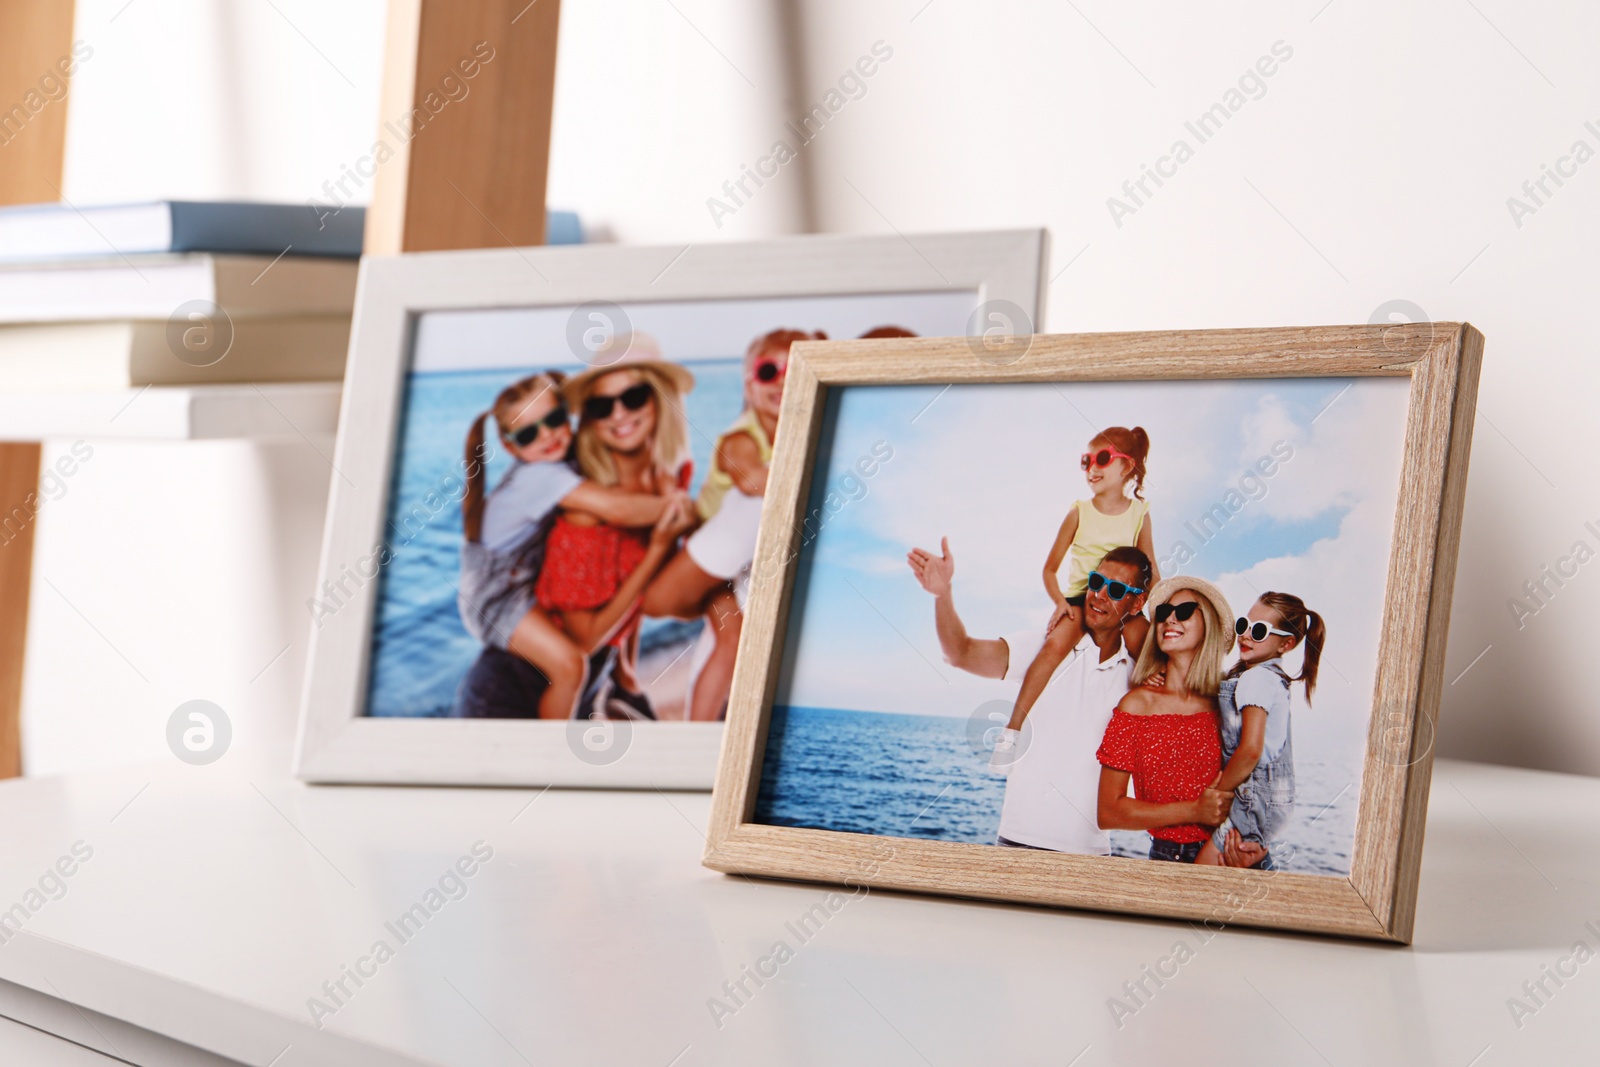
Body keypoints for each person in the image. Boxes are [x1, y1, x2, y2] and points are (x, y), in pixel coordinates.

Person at [456, 369, 694, 719]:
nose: (548, 435)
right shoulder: (540, 475)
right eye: (528, 433)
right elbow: (619, 509)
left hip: (514, 584)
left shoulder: (558, 463)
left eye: (554, 419)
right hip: (496, 600)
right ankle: (556, 754)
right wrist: (683, 511)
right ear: (509, 446)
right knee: (570, 666)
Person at [906, 538, 1151, 855]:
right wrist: (943, 594)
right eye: (1096, 582)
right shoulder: (1043, 647)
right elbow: (961, 653)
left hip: (1092, 856)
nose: (1099, 595)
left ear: (1136, 603)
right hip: (1016, 844)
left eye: (1116, 590)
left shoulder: (1140, 676)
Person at [642, 329, 824, 721]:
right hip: (708, 563)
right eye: (768, 371)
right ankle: (698, 727)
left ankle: (700, 724)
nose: (781, 380)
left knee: (732, 639)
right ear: (748, 382)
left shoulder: (792, 433)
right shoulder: (740, 436)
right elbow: (751, 481)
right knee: (731, 638)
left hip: (741, 564)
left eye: (794, 370)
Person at [539, 339, 697, 719]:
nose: (618, 414)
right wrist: (661, 547)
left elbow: (628, 578)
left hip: (604, 670)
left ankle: (625, 682)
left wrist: (626, 672)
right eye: (601, 405)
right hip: (547, 683)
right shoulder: (585, 511)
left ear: (662, 399)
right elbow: (584, 639)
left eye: (634, 396)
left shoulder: (672, 474)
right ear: (590, 419)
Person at [1006, 427, 1158, 736]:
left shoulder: (1140, 514)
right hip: (1081, 598)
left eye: (1103, 459)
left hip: (1122, 601)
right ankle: (1013, 728)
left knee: (1151, 650)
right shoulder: (1079, 512)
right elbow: (1049, 569)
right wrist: (1061, 603)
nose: (1092, 468)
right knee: (1052, 649)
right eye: (1086, 460)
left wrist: (1154, 608)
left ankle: (1149, 732)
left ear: (1127, 466)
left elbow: (1151, 568)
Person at [1095, 578, 1233, 862]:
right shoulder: (1137, 706)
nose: (1170, 618)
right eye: (1163, 613)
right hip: (1170, 858)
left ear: (1208, 626)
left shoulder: (1228, 702)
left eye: (1183, 612)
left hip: (1232, 856)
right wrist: (1195, 810)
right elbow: (1108, 812)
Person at [1195, 592, 1325, 869]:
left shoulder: (1256, 679)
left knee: (1201, 875)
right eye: (1244, 625)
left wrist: (1217, 793)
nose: (1245, 635)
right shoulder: (1267, 676)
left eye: (1259, 631)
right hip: (1270, 800)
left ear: (1286, 644)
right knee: (1236, 869)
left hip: (1254, 797)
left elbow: (1250, 750)